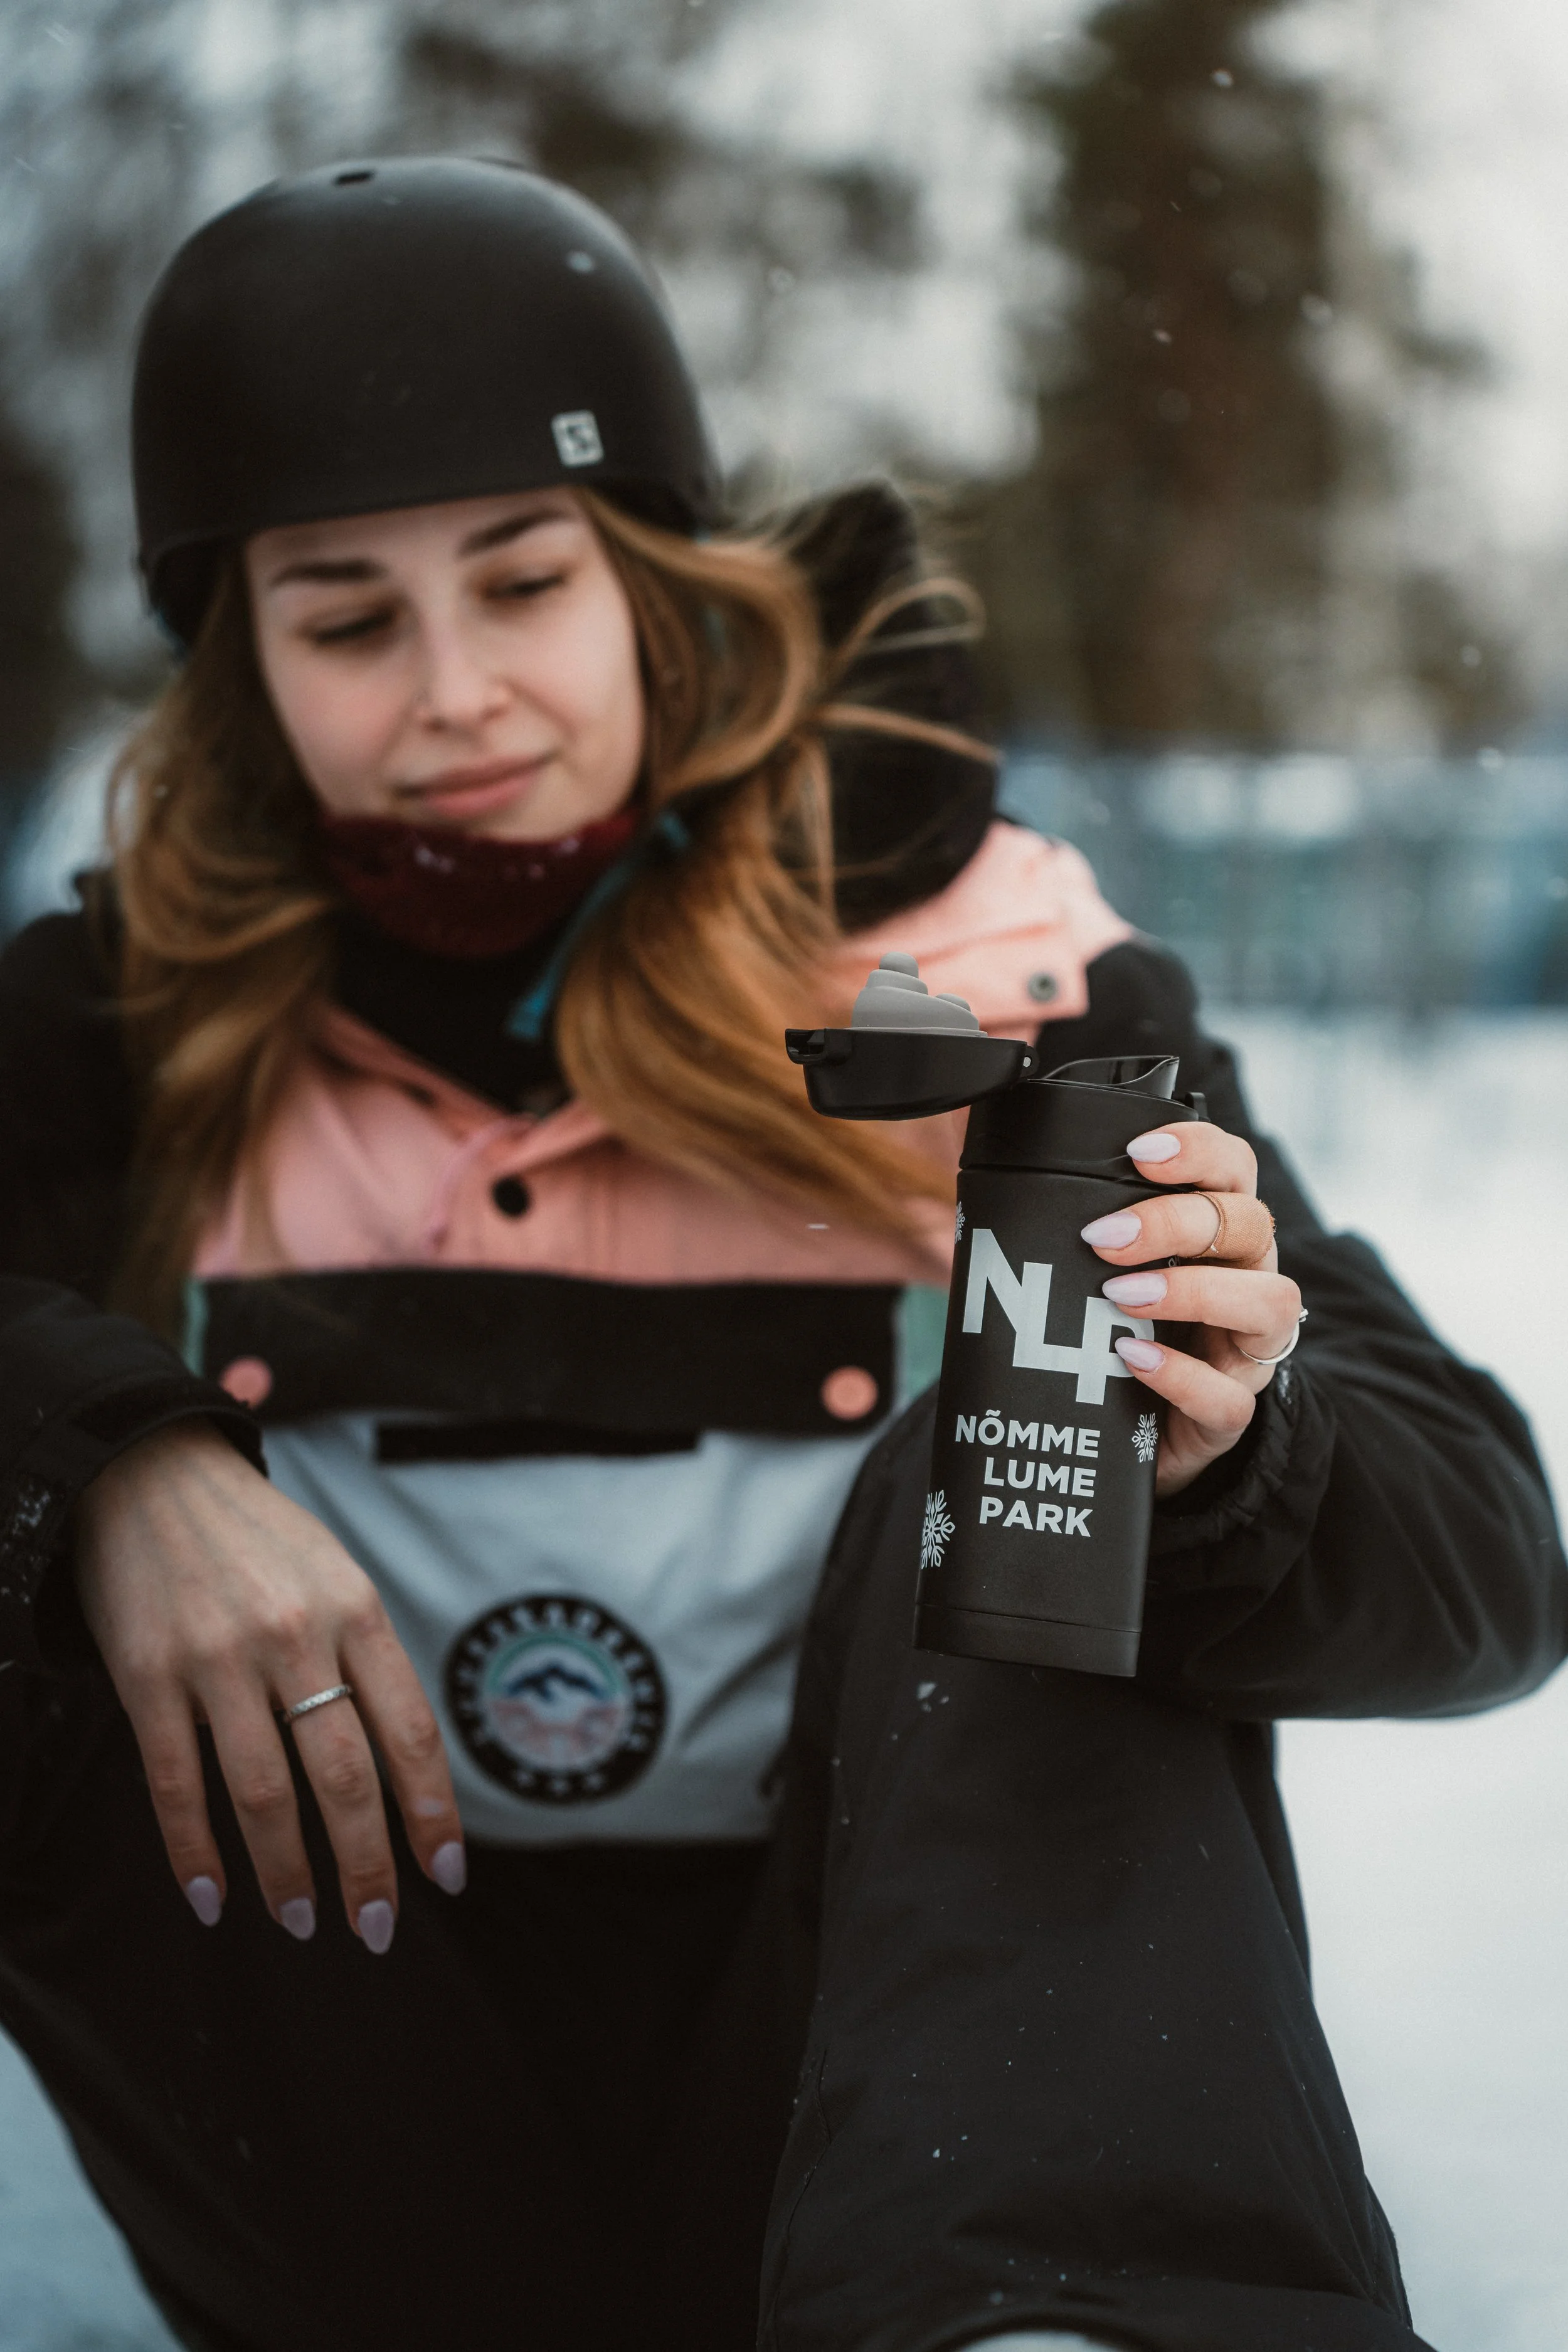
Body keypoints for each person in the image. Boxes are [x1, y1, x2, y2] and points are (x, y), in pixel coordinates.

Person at [0, 156, 1560, 2352]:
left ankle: (1065, 2319)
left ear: (651, 581)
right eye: (348, 619)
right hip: (354, 2142)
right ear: (242, 665)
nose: (455, 689)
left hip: (882, 2111)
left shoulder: (996, 982)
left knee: (1035, 1446)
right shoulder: (121, 1022)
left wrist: (1233, 1454)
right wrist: (107, 1464)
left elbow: (1485, 1551)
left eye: (522, 582)